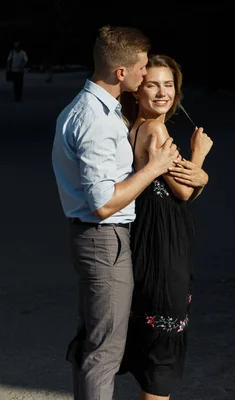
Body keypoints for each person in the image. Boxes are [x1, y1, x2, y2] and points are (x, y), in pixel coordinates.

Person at [51, 26, 181, 400]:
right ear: (121, 72)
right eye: (142, 69)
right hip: (104, 239)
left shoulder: (89, 109)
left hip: (96, 239)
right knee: (104, 354)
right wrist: (154, 169)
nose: (147, 76)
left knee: (94, 344)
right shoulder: (96, 121)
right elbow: (103, 202)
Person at [116, 54, 213, 399]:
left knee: (154, 347)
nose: (162, 93)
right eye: (153, 84)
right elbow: (183, 190)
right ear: (137, 90)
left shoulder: (137, 126)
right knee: (163, 357)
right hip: (162, 249)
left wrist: (197, 174)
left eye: (169, 85)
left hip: (150, 241)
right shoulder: (156, 129)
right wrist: (199, 154)